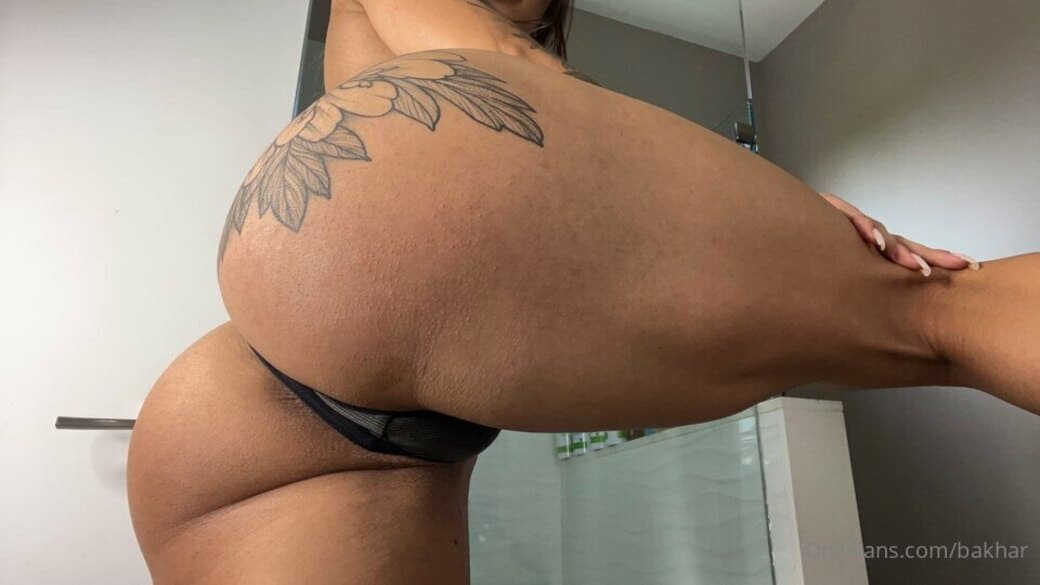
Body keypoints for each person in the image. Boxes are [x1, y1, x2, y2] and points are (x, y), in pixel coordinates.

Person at [127, 0, 1039, 583]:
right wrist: (782, 211)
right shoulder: (497, 59)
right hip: (346, 248)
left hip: (237, 417)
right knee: (937, 311)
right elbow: (502, 69)